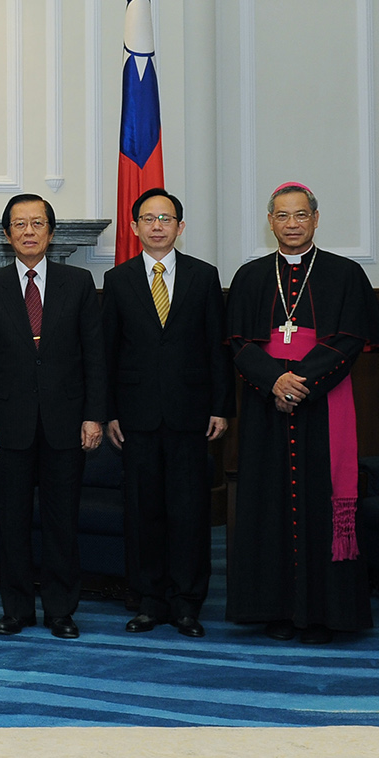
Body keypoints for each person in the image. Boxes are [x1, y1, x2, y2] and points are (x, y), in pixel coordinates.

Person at [224, 183, 379, 644]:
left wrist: (301, 385)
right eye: (282, 216)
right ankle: (274, 608)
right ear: (270, 221)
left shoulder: (344, 273)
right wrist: (274, 380)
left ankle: (325, 612)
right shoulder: (252, 276)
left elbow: (351, 338)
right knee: (268, 502)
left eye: (300, 215)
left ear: (316, 219)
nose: (291, 224)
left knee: (322, 499)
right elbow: (239, 342)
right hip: (264, 403)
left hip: (324, 402)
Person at [0, 194, 106, 639]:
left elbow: (95, 357)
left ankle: (61, 610)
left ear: (51, 231)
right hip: (8, 425)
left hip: (67, 422)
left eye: (38, 223)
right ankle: (17, 609)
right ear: (6, 234)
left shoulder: (79, 281)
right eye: (20, 224)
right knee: (11, 521)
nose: (29, 232)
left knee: (62, 519)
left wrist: (94, 416)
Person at [101, 189, 233, 638]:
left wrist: (220, 406)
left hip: (191, 414)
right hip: (135, 417)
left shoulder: (203, 276)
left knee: (189, 511)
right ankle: (149, 600)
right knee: (143, 512)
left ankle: (187, 602)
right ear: (134, 227)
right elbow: (108, 354)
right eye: (148, 218)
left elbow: (218, 347)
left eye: (166, 218)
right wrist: (110, 412)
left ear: (180, 227)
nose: (157, 225)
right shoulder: (118, 281)